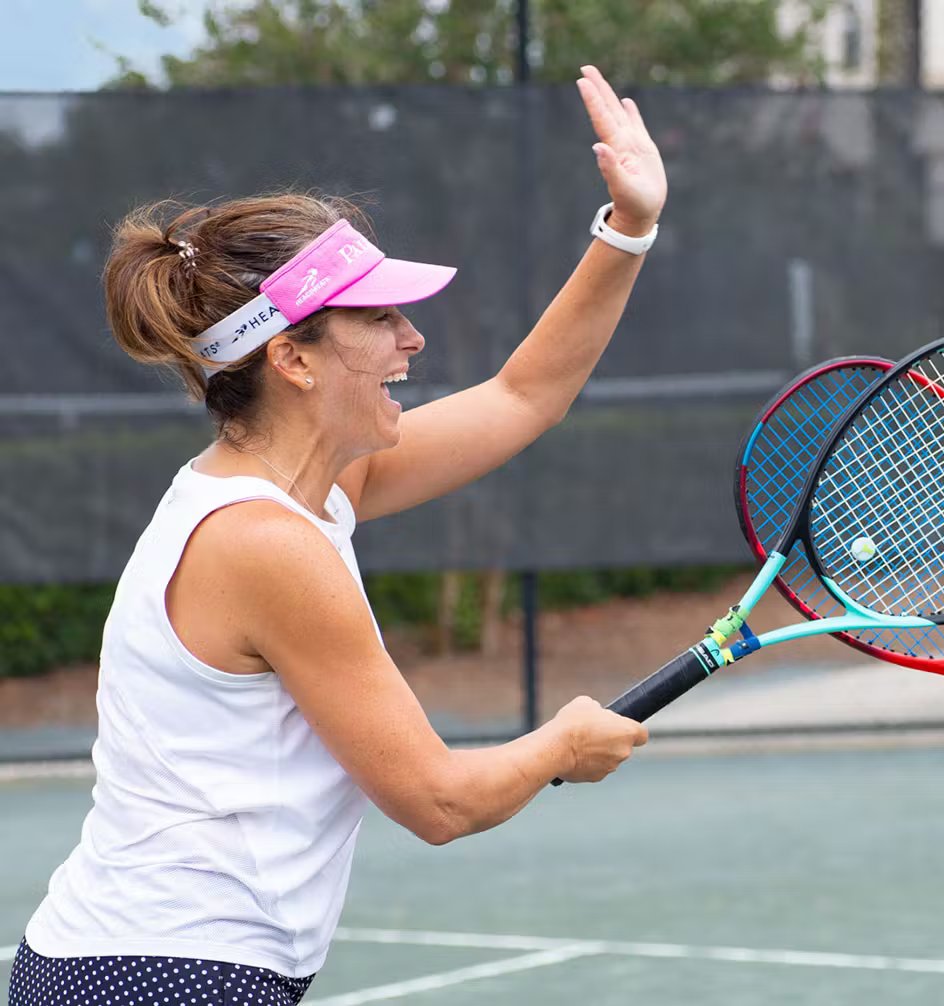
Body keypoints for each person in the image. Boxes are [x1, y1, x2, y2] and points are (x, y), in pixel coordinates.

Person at [9, 66, 659, 1006]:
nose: (413, 339)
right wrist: (563, 744)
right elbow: (439, 800)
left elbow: (527, 394)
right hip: (161, 976)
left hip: (150, 968)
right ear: (293, 359)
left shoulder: (307, 492)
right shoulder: (265, 545)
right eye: (380, 317)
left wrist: (628, 225)